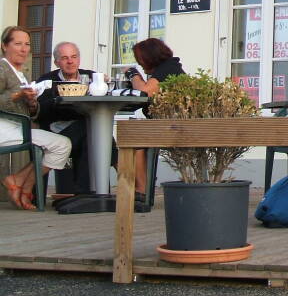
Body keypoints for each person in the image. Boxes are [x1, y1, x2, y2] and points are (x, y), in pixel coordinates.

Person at [0, 26, 71, 210]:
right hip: (4, 128)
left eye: (27, 44)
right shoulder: (2, 69)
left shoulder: (22, 74)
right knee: (61, 144)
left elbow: (31, 112)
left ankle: (20, 181)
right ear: (4, 46)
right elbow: (10, 99)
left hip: (19, 128)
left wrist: (32, 103)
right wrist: (17, 96)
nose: (24, 49)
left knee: (62, 145)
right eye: (18, 44)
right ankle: (21, 185)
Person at [37, 42, 115, 193]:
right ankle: (90, 192)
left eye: (74, 56)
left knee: (91, 130)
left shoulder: (92, 77)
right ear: (56, 62)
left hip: (83, 129)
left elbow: (106, 97)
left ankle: (83, 192)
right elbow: (42, 110)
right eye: (65, 58)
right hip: (57, 130)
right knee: (93, 129)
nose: (70, 61)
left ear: (79, 59)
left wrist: (105, 83)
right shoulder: (47, 80)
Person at [124, 38, 185, 197]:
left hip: (177, 128)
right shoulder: (166, 68)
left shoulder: (169, 67)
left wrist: (133, 74)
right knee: (133, 132)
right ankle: (140, 186)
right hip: (171, 124)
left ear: (150, 57)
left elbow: (145, 91)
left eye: (140, 60)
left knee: (134, 136)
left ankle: (142, 190)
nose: (140, 64)